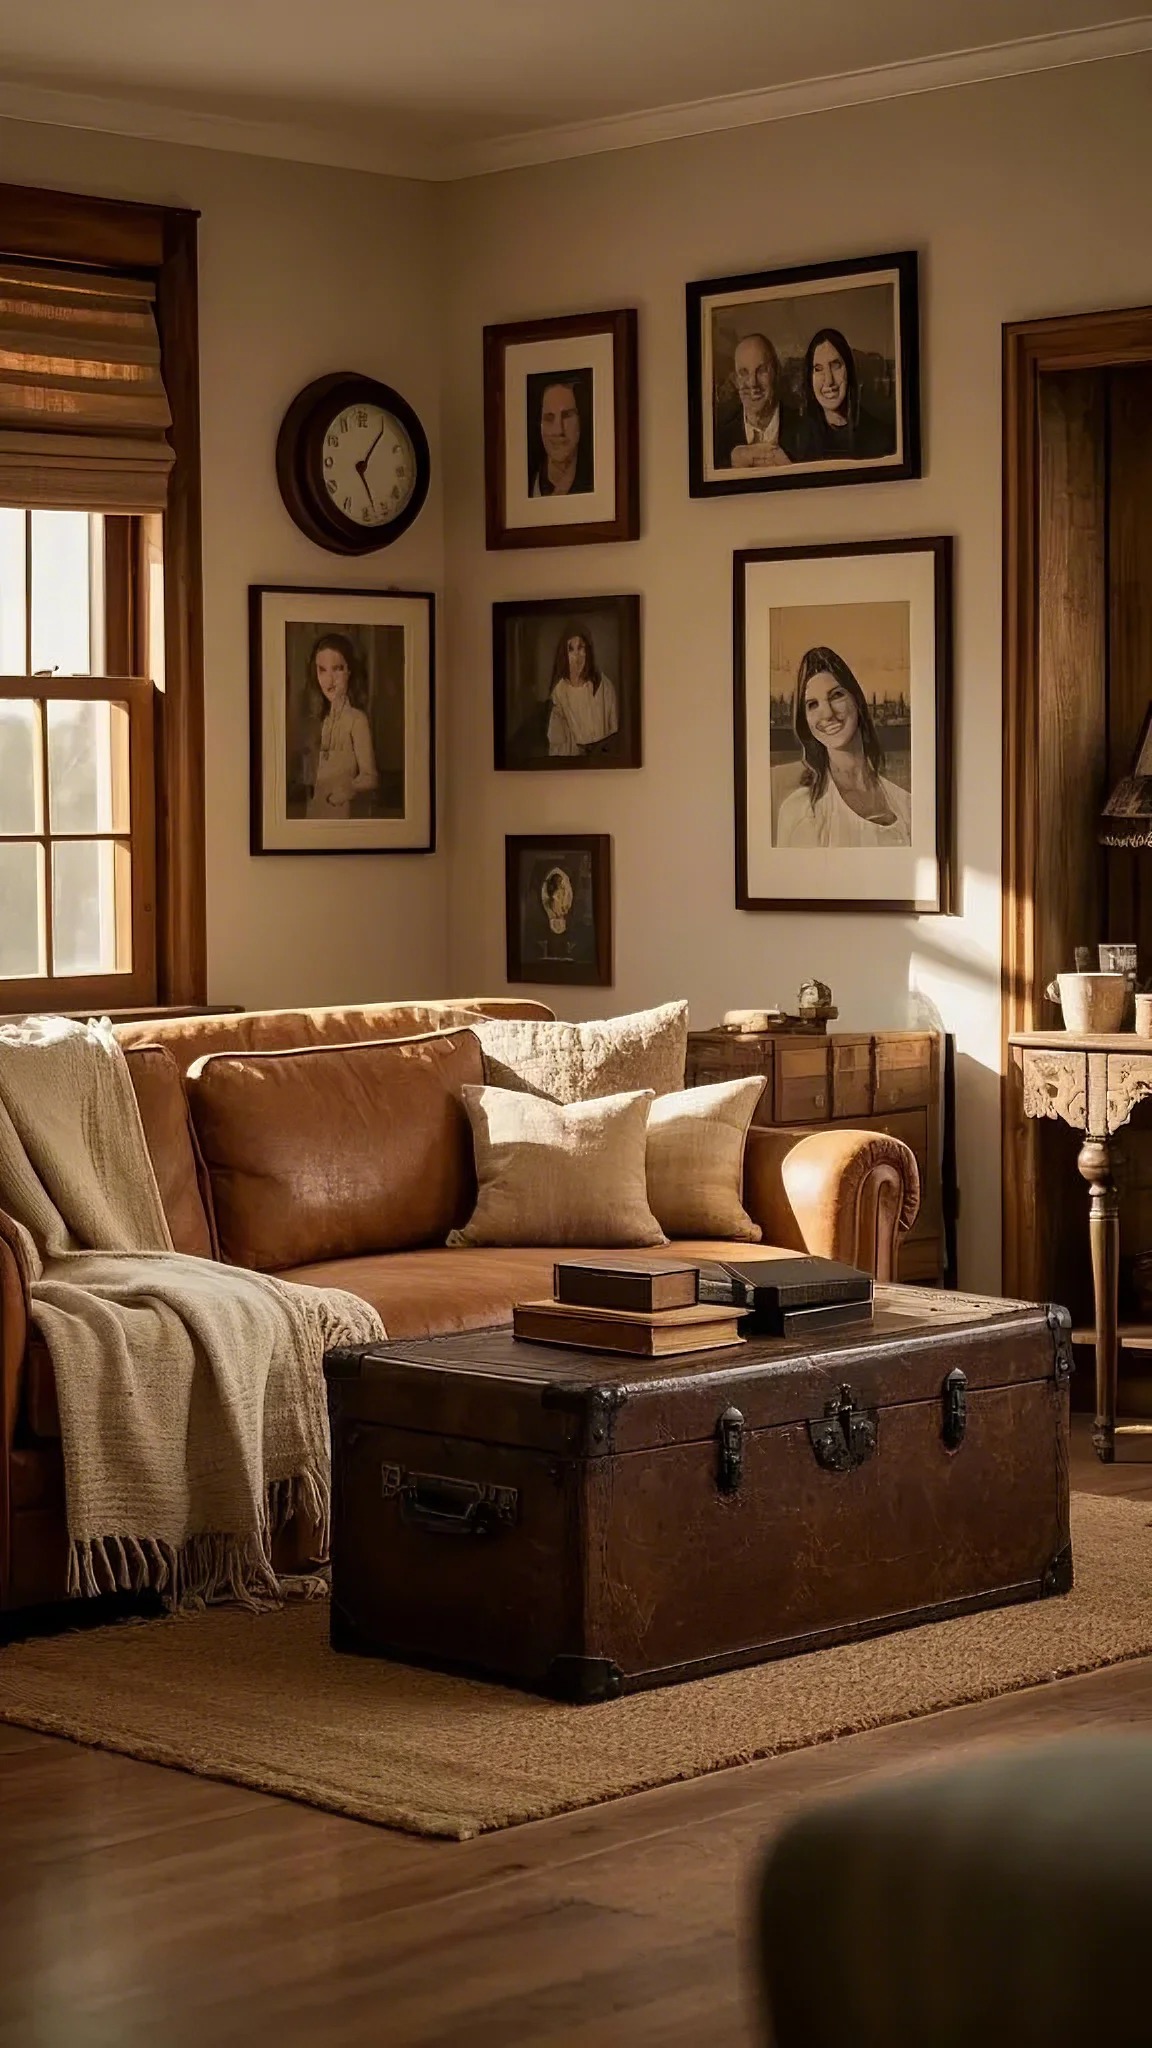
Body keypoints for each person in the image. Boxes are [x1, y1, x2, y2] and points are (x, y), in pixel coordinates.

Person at [775, 645, 911, 848]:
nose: (828, 714)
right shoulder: (799, 812)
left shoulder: (907, 803)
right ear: (805, 721)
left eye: (836, 695)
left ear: (856, 699)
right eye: (813, 704)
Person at [303, 632, 379, 820]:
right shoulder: (324, 721)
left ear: (349, 671)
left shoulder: (357, 720)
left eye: (336, 669)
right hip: (316, 814)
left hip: (343, 814)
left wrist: (345, 792)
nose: (329, 680)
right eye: (322, 670)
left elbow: (370, 777)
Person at [792, 327, 896, 463]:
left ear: (849, 370)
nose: (828, 380)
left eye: (835, 366)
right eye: (818, 369)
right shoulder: (796, 441)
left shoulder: (881, 438)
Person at [712, 332, 801, 470]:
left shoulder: (806, 431)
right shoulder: (718, 441)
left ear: (776, 372)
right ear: (735, 380)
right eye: (743, 373)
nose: (753, 383)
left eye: (761, 370)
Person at [546, 625, 619, 756]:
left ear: (587, 651)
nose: (577, 656)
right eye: (571, 649)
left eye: (581, 648)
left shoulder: (603, 685)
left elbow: (614, 730)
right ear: (564, 654)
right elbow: (557, 742)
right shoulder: (559, 692)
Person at [528, 373, 594, 496]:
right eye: (549, 418)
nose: (558, 430)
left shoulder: (595, 481)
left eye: (567, 416)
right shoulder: (529, 483)